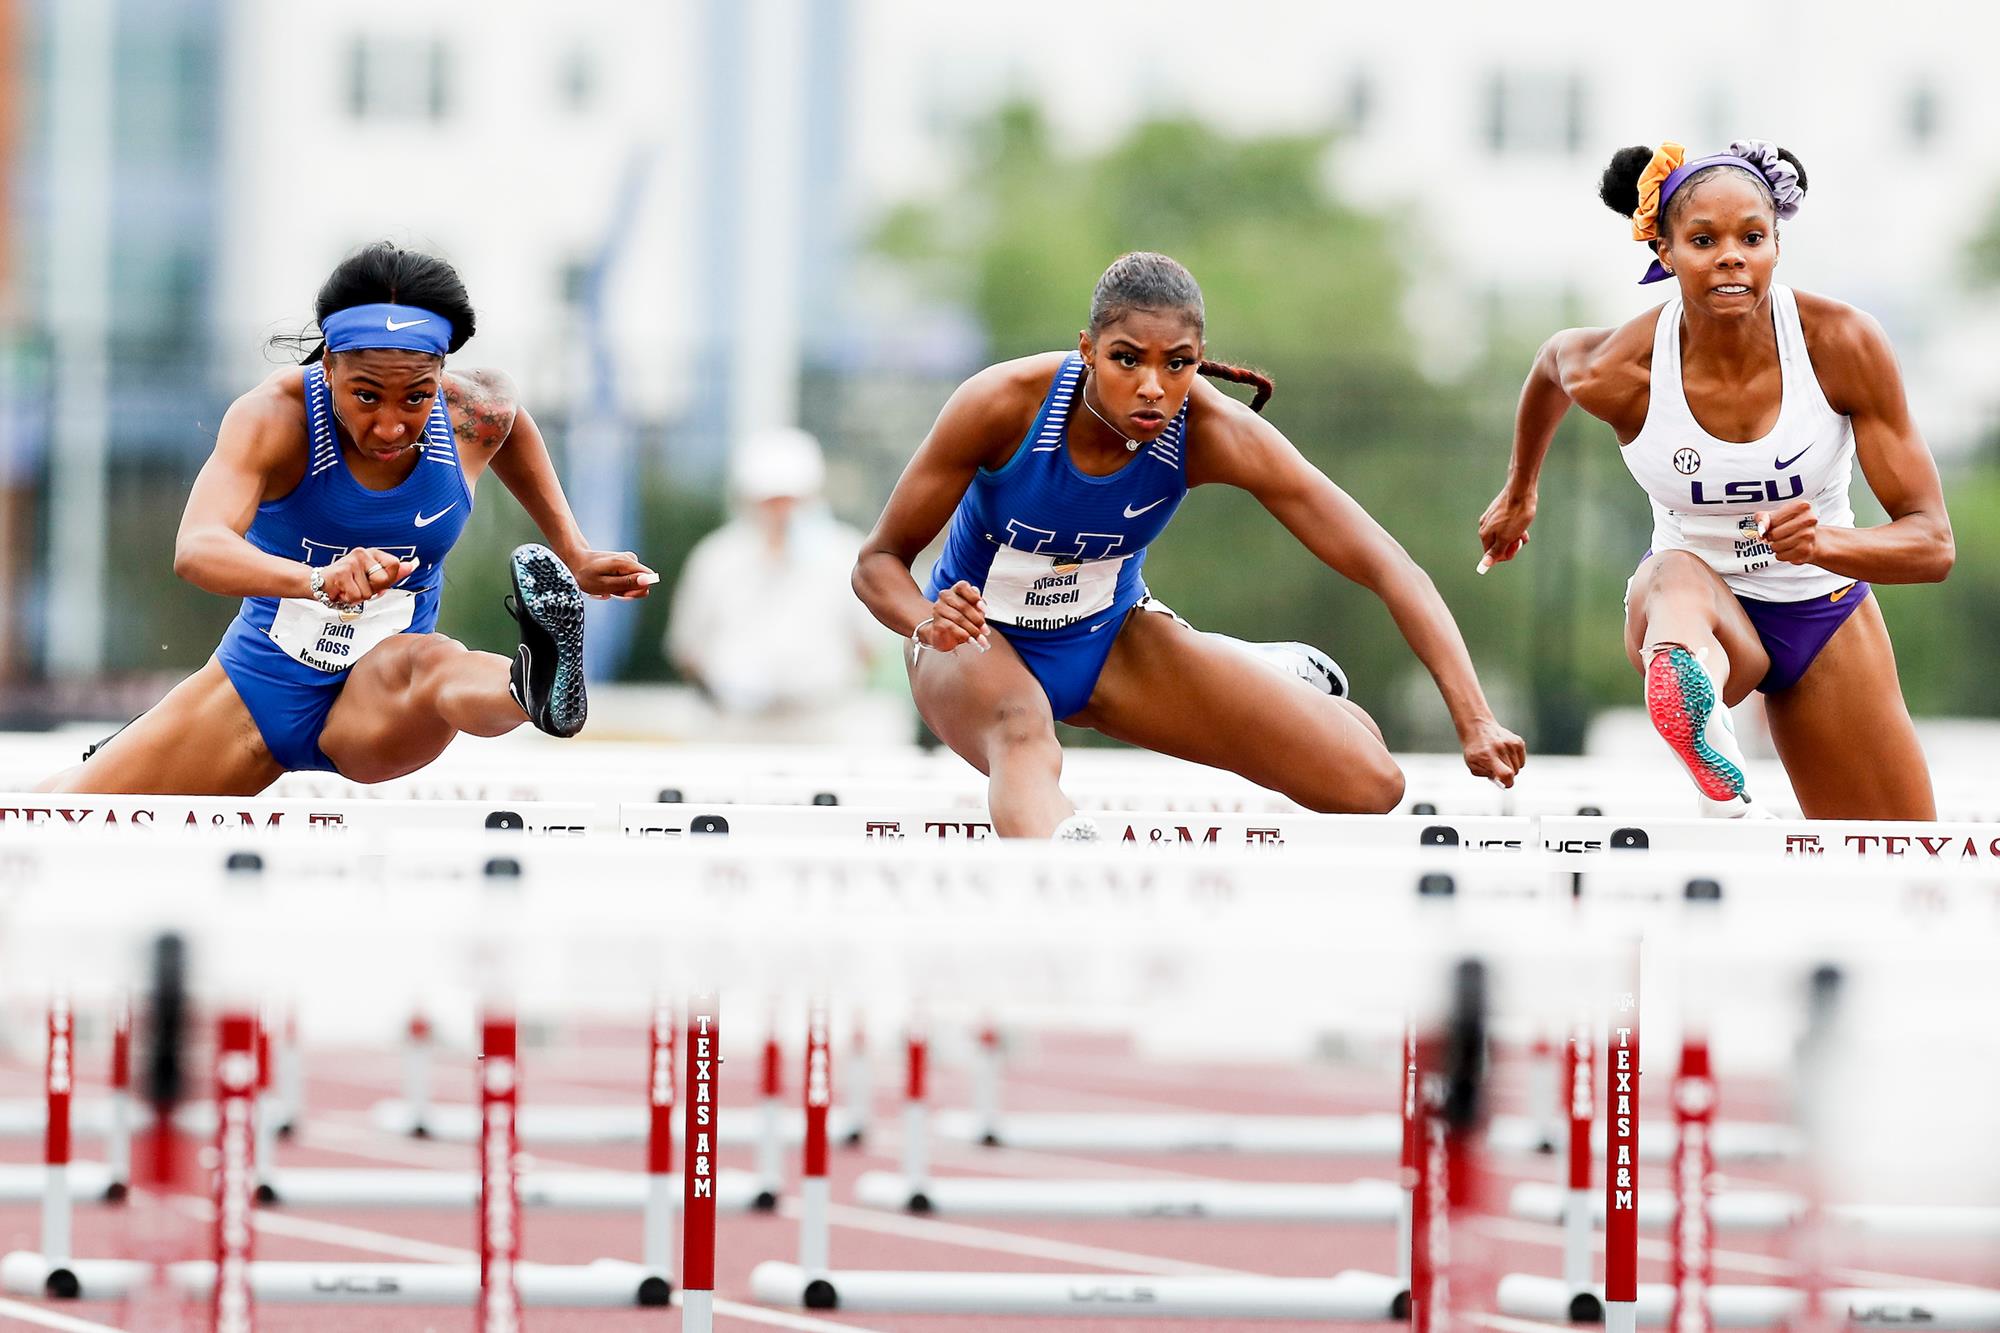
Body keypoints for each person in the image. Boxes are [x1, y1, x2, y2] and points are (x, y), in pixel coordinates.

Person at [854, 251, 1525, 838]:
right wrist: (927, 620)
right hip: (970, 644)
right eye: (1127, 359)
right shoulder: (1003, 404)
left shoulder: (1212, 431)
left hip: (1107, 643)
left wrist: (1475, 719)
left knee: (1368, 781)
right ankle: (1079, 889)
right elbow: (877, 563)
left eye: (1177, 364)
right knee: (1021, 731)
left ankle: (1245, 664)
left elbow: (1388, 565)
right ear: (1087, 350)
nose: (1153, 387)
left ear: (1197, 361)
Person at [43, 242, 658, 796]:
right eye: (366, 395)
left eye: (416, 396)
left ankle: (533, 688)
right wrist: (316, 580)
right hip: (257, 694)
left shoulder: (473, 412)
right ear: (329, 366)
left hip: (384, 695)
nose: (390, 426)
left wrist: (574, 552)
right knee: (60, 809)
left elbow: (512, 423)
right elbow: (198, 548)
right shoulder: (275, 419)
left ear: (440, 375)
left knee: (432, 664)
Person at [1477, 140, 1952, 819]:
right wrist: (1520, 491)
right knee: (1672, 573)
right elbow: (1552, 365)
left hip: (1819, 609)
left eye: (1752, 237)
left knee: (1897, 854)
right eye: (1704, 240)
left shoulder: (1840, 343)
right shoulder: (1623, 368)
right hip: (1692, 607)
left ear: (1777, 245)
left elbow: (1932, 545)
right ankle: (1706, 739)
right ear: (1665, 252)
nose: (1731, 256)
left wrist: (1822, 544)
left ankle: (1712, 753)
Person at [666, 427, 895, 740]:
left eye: (789, 501)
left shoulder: (846, 556)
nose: (781, 513)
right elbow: (687, 646)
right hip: (734, 726)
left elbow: (870, 644)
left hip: (824, 725)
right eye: (771, 502)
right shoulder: (716, 558)